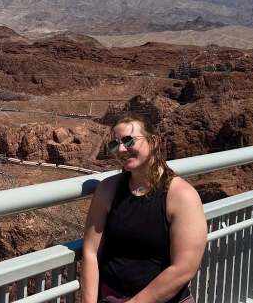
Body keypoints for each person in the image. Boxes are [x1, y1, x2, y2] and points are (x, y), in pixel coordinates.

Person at [81, 114, 207, 303]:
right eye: (115, 144)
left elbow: (184, 268)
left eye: (128, 140)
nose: (121, 149)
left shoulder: (181, 196)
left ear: (154, 141)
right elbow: (90, 252)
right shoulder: (107, 190)